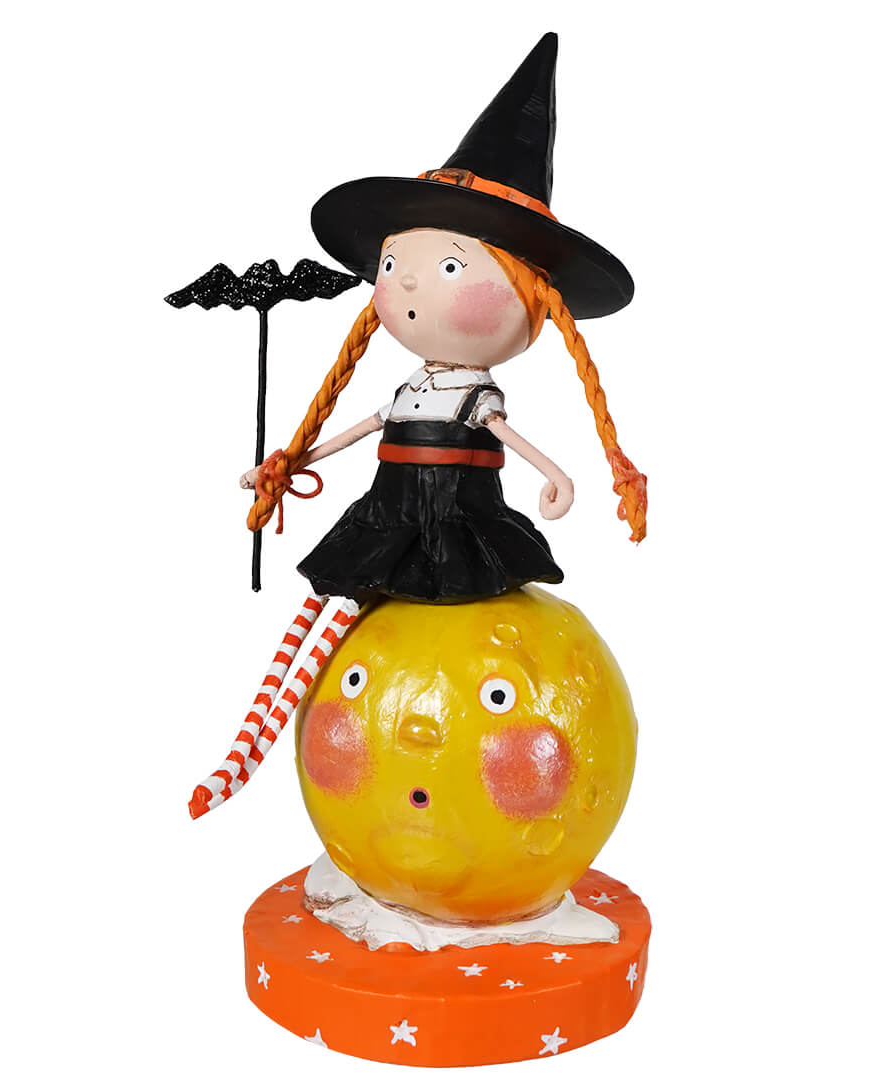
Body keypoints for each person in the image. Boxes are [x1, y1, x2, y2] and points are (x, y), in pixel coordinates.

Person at [189, 32, 646, 819]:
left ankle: (244, 757)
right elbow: (364, 427)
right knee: (321, 617)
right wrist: (293, 460)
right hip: (388, 513)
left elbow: (511, 441)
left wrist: (557, 476)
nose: (404, 285)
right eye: (397, 264)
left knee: (342, 617)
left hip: (456, 521)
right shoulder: (410, 388)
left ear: (536, 302)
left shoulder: (474, 397)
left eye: (450, 267)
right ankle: (245, 748)